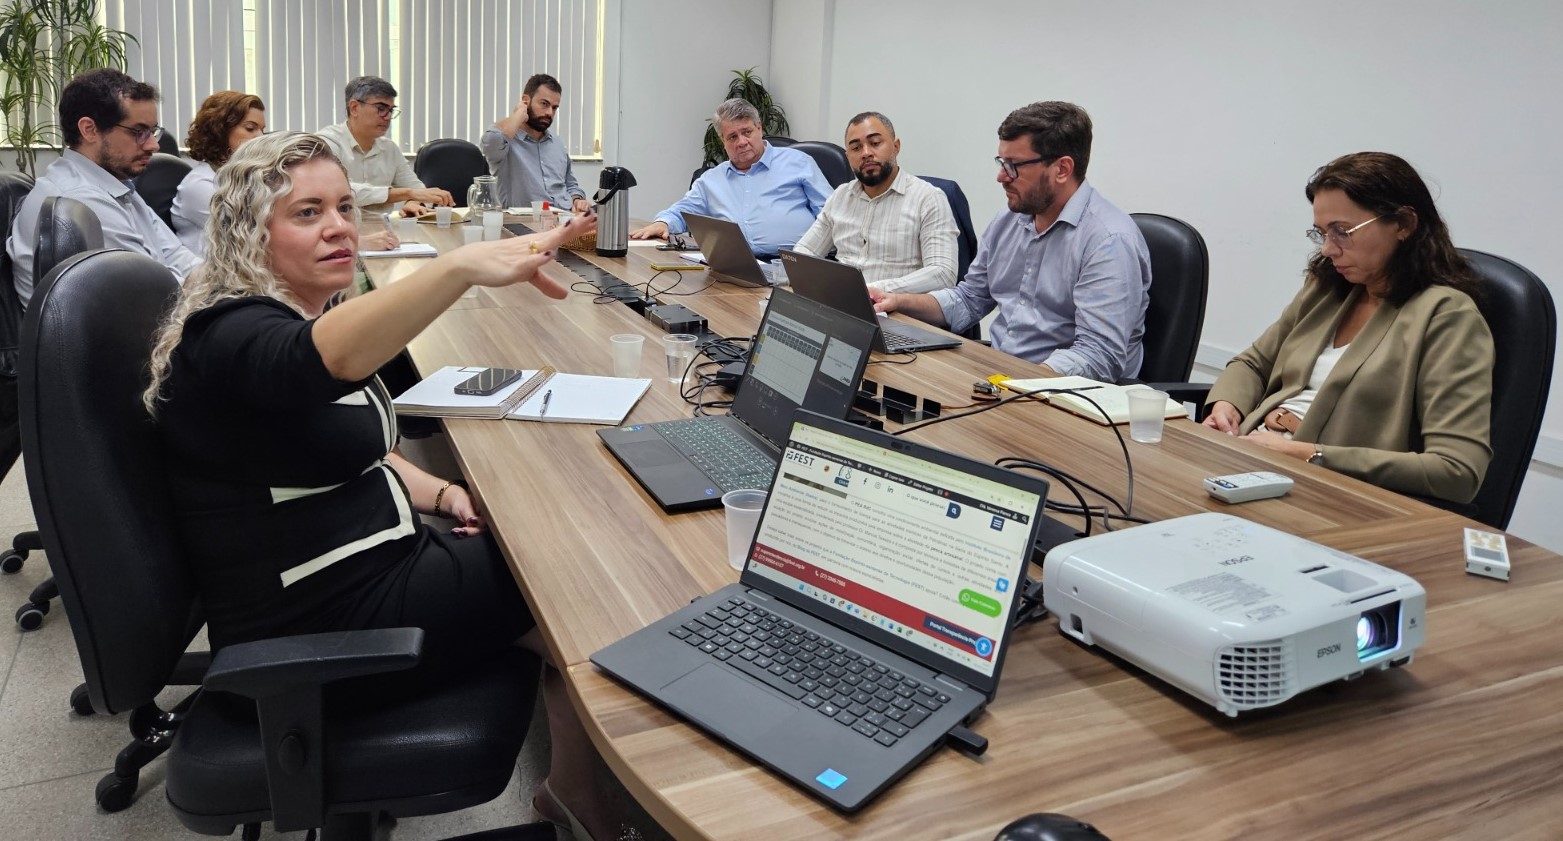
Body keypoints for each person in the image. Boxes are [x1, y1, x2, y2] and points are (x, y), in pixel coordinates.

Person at [141, 132, 618, 839]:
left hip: (371, 570)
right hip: (317, 627)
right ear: (250, 233)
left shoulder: (295, 313)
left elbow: (359, 450)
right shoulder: (229, 336)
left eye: (343, 206)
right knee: (576, 575)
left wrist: (443, 493)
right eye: (307, 213)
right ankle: (605, 802)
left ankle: (573, 794)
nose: (338, 226)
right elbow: (315, 363)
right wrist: (459, 268)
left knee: (544, 557)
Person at [1203, 152, 1493, 504]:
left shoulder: (1446, 316)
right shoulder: (1328, 288)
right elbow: (1253, 364)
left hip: (1324, 493)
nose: (1328, 249)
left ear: (1403, 224)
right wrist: (1227, 407)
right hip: (1252, 462)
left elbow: (1457, 471)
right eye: (1322, 233)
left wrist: (1309, 455)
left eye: (1342, 232)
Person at [870, 101, 1152, 381]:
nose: (1001, 176)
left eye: (1014, 165)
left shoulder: (1109, 241)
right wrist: (897, 301)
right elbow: (969, 299)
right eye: (1001, 162)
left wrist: (1019, 384)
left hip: (1064, 392)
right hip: (1002, 375)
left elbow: (1098, 356)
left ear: (1062, 169)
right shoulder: (1009, 220)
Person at [7, 68, 199, 311]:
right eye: (139, 132)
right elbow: (159, 295)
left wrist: (221, 283)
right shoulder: (79, 200)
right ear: (89, 129)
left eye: (152, 131)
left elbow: (176, 256)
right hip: (137, 327)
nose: (153, 145)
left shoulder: (115, 186)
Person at [631, 98, 830, 256]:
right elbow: (683, 211)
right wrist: (663, 223)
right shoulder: (711, 180)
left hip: (791, 265)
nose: (741, 142)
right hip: (734, 268)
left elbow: (832, 215)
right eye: (732, 137)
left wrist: (811, 257)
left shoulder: (799, 163)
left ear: (760, 128)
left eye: (747, 132)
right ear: (723, 141)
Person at [792, 111, 958, 293]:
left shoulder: (928, 198)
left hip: (896, 305)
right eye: (856, 148)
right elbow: (805, 251)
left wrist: (871, 290)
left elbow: (943, 274)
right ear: (848, 157)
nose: (866, 153)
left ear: (896, 147)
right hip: (840, 301)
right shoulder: (841, 196)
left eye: (875, 143)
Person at [316, 75, 454, 216]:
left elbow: (419, 190)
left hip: (383, 226)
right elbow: (338, 192)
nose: (388, 117)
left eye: (391, 110)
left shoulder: (389, 148)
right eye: (381, 108)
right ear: (354, 108)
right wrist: (408, 193)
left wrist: (414, 202)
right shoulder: (326, 143)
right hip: (338, 225)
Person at [171, 91, 268, 256]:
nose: (260, 137)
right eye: (250, 128)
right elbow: (253, 234)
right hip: (211, 270)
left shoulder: (243, 176)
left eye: (262, 130)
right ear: (220, 130)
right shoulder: (199, 185)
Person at [481, 73, 591, 212]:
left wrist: (577, 199)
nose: (550, 113)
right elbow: (490, 140)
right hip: (527, 220)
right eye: (544, 104)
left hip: (565, 216)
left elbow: (570, 184)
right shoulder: (505, 142)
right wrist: (517, 115)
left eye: (554, 107)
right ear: (526, 101)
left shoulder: (557, 143)